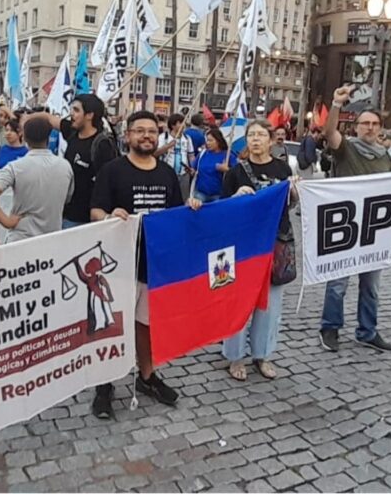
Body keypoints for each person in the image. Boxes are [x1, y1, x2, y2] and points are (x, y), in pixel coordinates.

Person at [89, 111, 183, 419]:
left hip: (153, 265)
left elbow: (177, 217)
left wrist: (194, 209)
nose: (146, 136)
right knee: (111, 325)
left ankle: (147, 376)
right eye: (139, 131)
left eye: (152, 131)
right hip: (117, 264)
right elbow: (95, 212)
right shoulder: (112, 171)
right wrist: (108, 217)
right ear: (127, 136)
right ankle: (104, 386)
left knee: (146, 325)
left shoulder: (168, 174)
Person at [190, 119, 296, 381]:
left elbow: (288, 206)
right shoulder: (236, 172)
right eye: (251, 135)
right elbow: (223, 209)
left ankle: (262, 354)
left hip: (275, 242)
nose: (256, 139)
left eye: (261, 135)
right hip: (243, 245)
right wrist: (237, 198)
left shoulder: (283, 168)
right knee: (237, 301)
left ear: (271, 140)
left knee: (269, 304)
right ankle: (234, 356)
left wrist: (294, 191)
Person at [318, 87, 391, 354]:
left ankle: (367, 331)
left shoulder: (386, 157)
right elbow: (330, 133)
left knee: (371, 287)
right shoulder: (346, 149)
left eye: (375, 124)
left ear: (380, 129)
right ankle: (330, 328)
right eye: (365, 123)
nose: (370, 127)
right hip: (346, 228)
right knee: (338, 284)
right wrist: (336, 104)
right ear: (356, 127)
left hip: (373, 232)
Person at [0, 116, 73, 243]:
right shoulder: (65, 166)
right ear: (48, 137)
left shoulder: (15, 167)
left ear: (23, 137)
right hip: (52, 239)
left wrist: (7, 222)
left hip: (21, 239)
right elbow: (68, 198)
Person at [44, 94, 119, 229]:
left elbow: (110, 182)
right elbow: (49, 119)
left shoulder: (102, 145)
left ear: (89, 115)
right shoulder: (72, 132)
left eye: (76, 110)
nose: (71, 114)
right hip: (64, 214)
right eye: (72, 109)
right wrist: (24, 118)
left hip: (85, 221)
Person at [190, 127, 236, 203]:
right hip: (200, 193)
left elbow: (236, 174)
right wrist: (192, 171)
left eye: (210, 140)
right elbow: (195, 168)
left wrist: (226, 169)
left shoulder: (228, 155)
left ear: (218, 141)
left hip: (219, 195)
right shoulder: (202, 154)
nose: (208, 143)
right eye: (207, 140)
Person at [156, 113, 194, 201]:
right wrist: (167, 146)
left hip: (184, 174)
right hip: (167, 173)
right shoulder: (163, 137)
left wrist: (192, 167)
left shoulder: (187, 138)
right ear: (173, 125)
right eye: (180, 123)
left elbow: (191, 156)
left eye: (184, 122)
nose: (183, 125)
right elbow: (155, 154)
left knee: (184, 198)